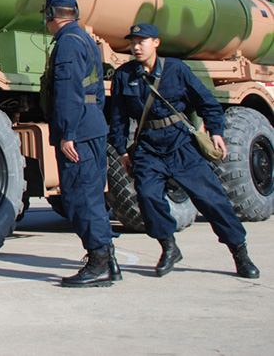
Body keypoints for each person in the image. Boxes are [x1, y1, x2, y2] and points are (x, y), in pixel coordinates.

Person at [108, 23, 260, 279]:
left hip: (181, 145)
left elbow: (208, 103)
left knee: (213, 201)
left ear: (155, 43)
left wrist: (217, 132)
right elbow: (118, 118)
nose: (136, 46)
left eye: (142, 41)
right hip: (148, 148)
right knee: (147, 197)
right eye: (132, 42)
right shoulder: (124, 75)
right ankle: (169, 247)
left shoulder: (176, 70)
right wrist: (122, 151)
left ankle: (240, 254)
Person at [42, 0, 118, 288]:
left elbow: (67, 91)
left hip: (79, 131)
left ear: (51, 14)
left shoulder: (68, 44)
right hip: (92, 124)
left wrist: (68, 134)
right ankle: (108, 260)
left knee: (80, 198)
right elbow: (96, 92)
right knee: (92, 195)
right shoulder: (85, 39)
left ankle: (99, 262)